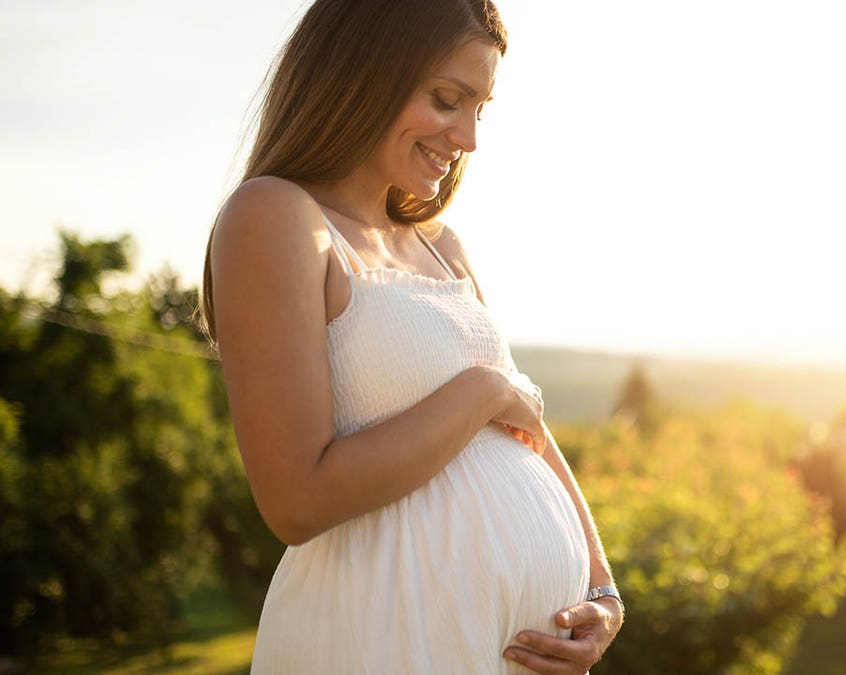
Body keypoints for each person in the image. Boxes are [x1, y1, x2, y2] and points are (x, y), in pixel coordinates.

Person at [200, 0, 623, 672]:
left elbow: (525, 427)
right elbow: (295, 499)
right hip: (378, 637)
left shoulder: (442, 246)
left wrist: (601, 587)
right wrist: (480, 391)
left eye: (480, 108)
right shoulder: (276, 215)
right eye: (448, 99)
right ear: (361, 74)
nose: (469, 138)